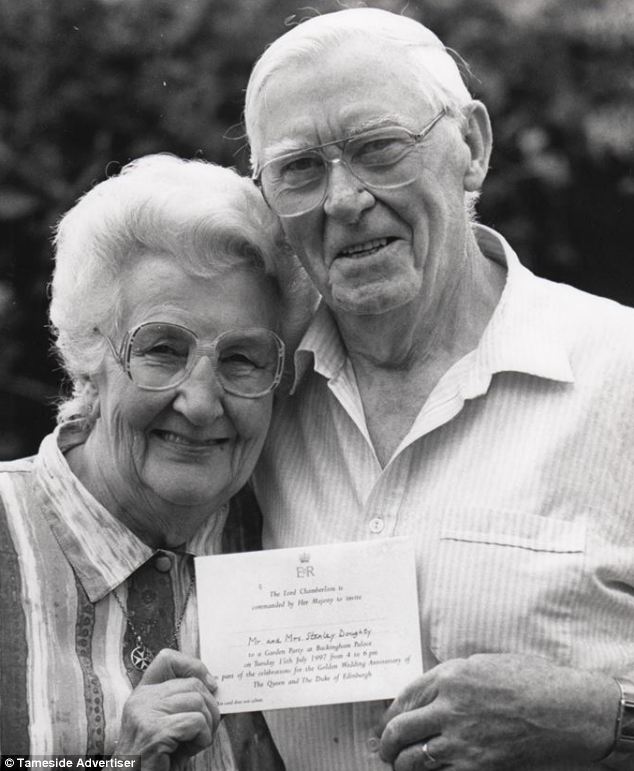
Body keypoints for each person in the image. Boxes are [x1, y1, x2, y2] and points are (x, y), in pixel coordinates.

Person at [243, 8, 634, 771]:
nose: (344, 198)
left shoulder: (621, 371)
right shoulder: (254, 400)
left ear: (473, 148)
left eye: (379, 148)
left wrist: (603, 720)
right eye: (298, 168)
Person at [0, 154, 310, 769]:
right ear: (90, 354)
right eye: (162, 349)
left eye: (242, 359)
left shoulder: (286, 531)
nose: (199, 404)